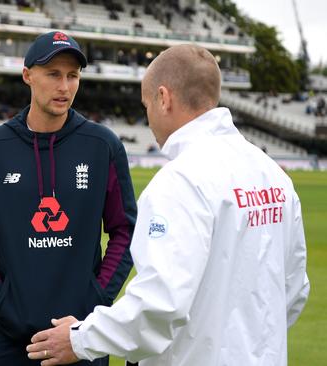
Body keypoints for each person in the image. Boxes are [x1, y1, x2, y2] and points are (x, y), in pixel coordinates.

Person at [26, 44, 310, 366]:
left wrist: (79, 338)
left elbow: (159, 304)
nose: (148, 119)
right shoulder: (273, 175)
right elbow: (293, 290)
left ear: (164, 98)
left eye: (147, 105)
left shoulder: (180, 181)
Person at [0, 30, 137, 365]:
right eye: (53, 74)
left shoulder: (104, 146)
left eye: (73, 76)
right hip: (5, 338)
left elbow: (124, 230)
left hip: (79, 336)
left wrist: (95, 302)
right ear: (27, 75)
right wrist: (1, 301)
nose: (64, 87)